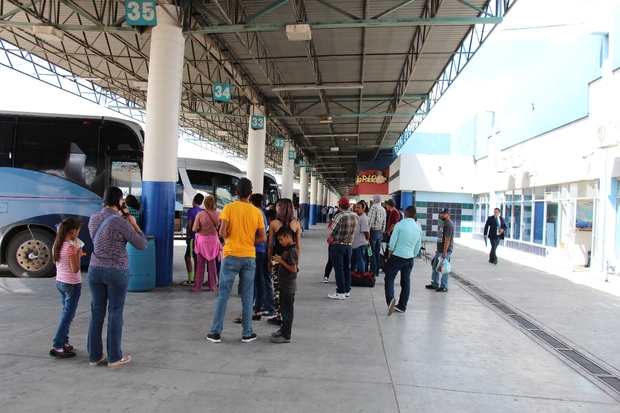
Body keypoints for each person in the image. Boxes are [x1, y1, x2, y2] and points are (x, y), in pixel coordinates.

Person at [87, 186, 146, 367]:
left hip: (95, 269)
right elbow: (141, 244)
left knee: (96, 312)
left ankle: (94, 356)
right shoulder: (121, 222)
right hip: (116, 271)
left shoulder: (93, 218)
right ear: (120, 200)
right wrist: (134, 224)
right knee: (115, 312)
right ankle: (114, 356)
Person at [207, 178, 266, 344]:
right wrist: (248, 240)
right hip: (249, 256)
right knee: (248, 296)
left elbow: (222, 232)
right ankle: (247, 333)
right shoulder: (257, 212)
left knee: (223, 295)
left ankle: (215, 332)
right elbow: (263, 237)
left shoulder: (229, 208)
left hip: (231, 254)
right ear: (251, 193)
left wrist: (234, 236)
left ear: (236, 192)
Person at [49, 217, 85, 359]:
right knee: (67, 316)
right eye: (78, 232)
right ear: (73, 231)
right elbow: (75, 268)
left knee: (66, 313)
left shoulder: (57, 245)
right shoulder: (71, 248)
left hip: (60, 282)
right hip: (72, 284)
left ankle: (64, 342)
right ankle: (57, 345)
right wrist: (79, 254)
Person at [233, 193, 268, 323]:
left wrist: (245, 239)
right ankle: (257, 309)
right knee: (259, 281)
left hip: (253, 250)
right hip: (260, 251)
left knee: (249, 283)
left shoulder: (255, 213)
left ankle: (249, 312)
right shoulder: (261, 213)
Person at [267, 198, 302, 325]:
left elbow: (270, 245)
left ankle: (279, 315)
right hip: (290, 259)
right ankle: (286, 314)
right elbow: (298, 246)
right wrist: (296, 263)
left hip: (277, 258)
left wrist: (269, 261)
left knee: (277, 287)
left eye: (278, 206)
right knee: (288, 287)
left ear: (281, 208)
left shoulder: (274, 224)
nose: (276, 208)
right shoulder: (296, 224)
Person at [384, 206, 422, 315]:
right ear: (414, 216)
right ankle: (402, 306)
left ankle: (390, 300)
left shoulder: (400, 225)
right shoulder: (418, 229)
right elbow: (417, 247)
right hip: (409, 258)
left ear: (405, 214)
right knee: (406, 282)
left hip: (397, 256)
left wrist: (390, 250)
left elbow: (393, 241)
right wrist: (412, 255)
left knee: (390, 278)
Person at [270, 226, 298, 343]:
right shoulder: (287, 249)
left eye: (281, 240)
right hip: (283, 285)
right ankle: (283, 330)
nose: (280, 243)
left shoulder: (292, 251)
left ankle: (286, 335)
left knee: (287, 312)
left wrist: (280, 261)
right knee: (283, 309)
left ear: (288, 237)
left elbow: (293, 268)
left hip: (288, 286)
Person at [328, 197, 358, 300]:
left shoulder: (339, 216)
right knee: (346, 269)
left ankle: (340, 291)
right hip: (349, 245)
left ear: (340, 205)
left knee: (339, 269)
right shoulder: (355, 216)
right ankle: (346, 290)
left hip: (338, 246)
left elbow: (331, 231)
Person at [192, 195, 221, 292]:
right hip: (213, 241)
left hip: (202, 242)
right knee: (212, 264)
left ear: (205, 203)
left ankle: (197, 287)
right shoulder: (218, 214)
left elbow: (194, 229)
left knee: (200, 265)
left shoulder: (200, 214)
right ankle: (212, 286)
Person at [425, 208, 454, 292]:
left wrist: (444, 253)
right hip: (440, 250)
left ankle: (444, 286)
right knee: (435, 267)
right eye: (441, 213)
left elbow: (447, 239)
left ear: (448, 214)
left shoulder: (448, 224)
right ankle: (435, 283)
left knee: (444, 269)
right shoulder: (444, 224)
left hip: (444, 251)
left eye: (444, 213)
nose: (442, 215)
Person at [182, 193, 204, 286]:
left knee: (187, 256)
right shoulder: (202, 211)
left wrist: (187, 236)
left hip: (192, 236)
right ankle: (196, 277)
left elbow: (190, 225)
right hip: (199, 236)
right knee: (196, 257)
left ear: (194, 200)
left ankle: (191, 278)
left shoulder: (191, 211)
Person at [261, 208, 278, 318]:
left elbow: (271, 245)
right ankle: (266, 305)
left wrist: (268, 260)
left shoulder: (272, 229)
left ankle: (271, 308)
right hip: (269, 257)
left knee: (266, 282)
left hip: (268, 257)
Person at [368, 194, 386, 278]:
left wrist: (367, 232)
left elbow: (370, 221)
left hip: (373, 231)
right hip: (380, 231)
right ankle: (377, 269)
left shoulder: (373, 208)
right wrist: (382, 231)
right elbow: (384, 222)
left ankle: (373, 270)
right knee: (377, 252)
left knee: (371, 252)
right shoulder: (383, 209)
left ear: (374, 200)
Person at [350, 202, 369, 274]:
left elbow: (366, 231)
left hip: (360, 244)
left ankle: (360, 276)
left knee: (360, 261)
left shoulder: (363, 218)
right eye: (356, 207)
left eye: (358, 208)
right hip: (355, 243)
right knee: (353, 261)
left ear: (363, 208)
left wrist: (367, 240)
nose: (356, 209)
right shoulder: (357, 216)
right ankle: (352, 275)